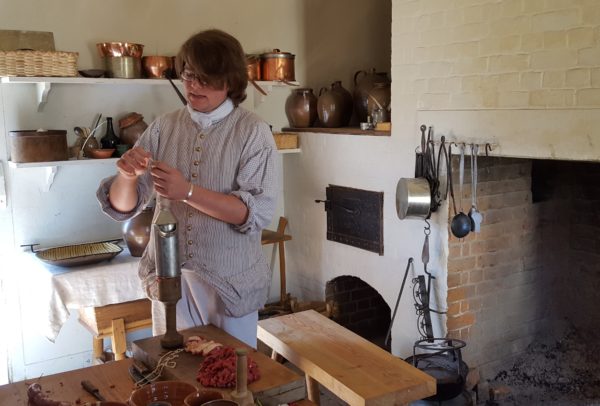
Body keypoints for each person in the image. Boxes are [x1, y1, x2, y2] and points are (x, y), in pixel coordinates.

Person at [96, 29, 278, 347]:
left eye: (204, 78)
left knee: (229, 379)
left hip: (230, 285)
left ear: (230, 81)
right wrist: (127, 176)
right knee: (173, 374)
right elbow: (122, 207)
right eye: (189, 75)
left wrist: (187, 192)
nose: (193, 85)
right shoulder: (164, 127)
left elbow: (251, 214)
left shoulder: (253, 132)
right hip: (169, 280)